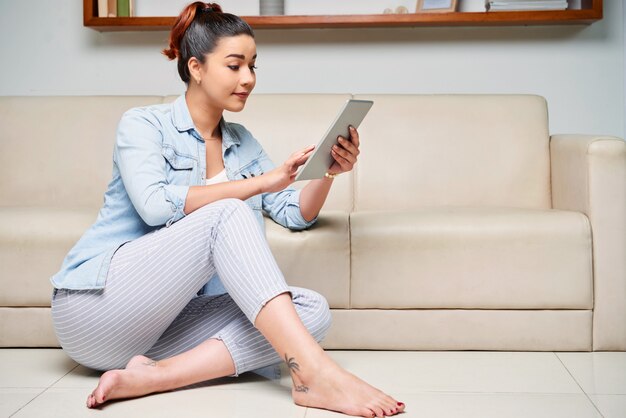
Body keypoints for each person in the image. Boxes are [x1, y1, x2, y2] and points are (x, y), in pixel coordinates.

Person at [49, 2, 406, 417]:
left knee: (311, 312)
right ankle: (314, 375)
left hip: (160, 332)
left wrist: (327, 172)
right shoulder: (143, 124)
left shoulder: (243, 142)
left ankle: (154, 376)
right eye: (235, 65)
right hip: (94, 311)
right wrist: (264, 180)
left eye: (253, 66)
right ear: (196, 67)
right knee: (228, 211)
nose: (249, 79)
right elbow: (152, 205)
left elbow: (293, 212)